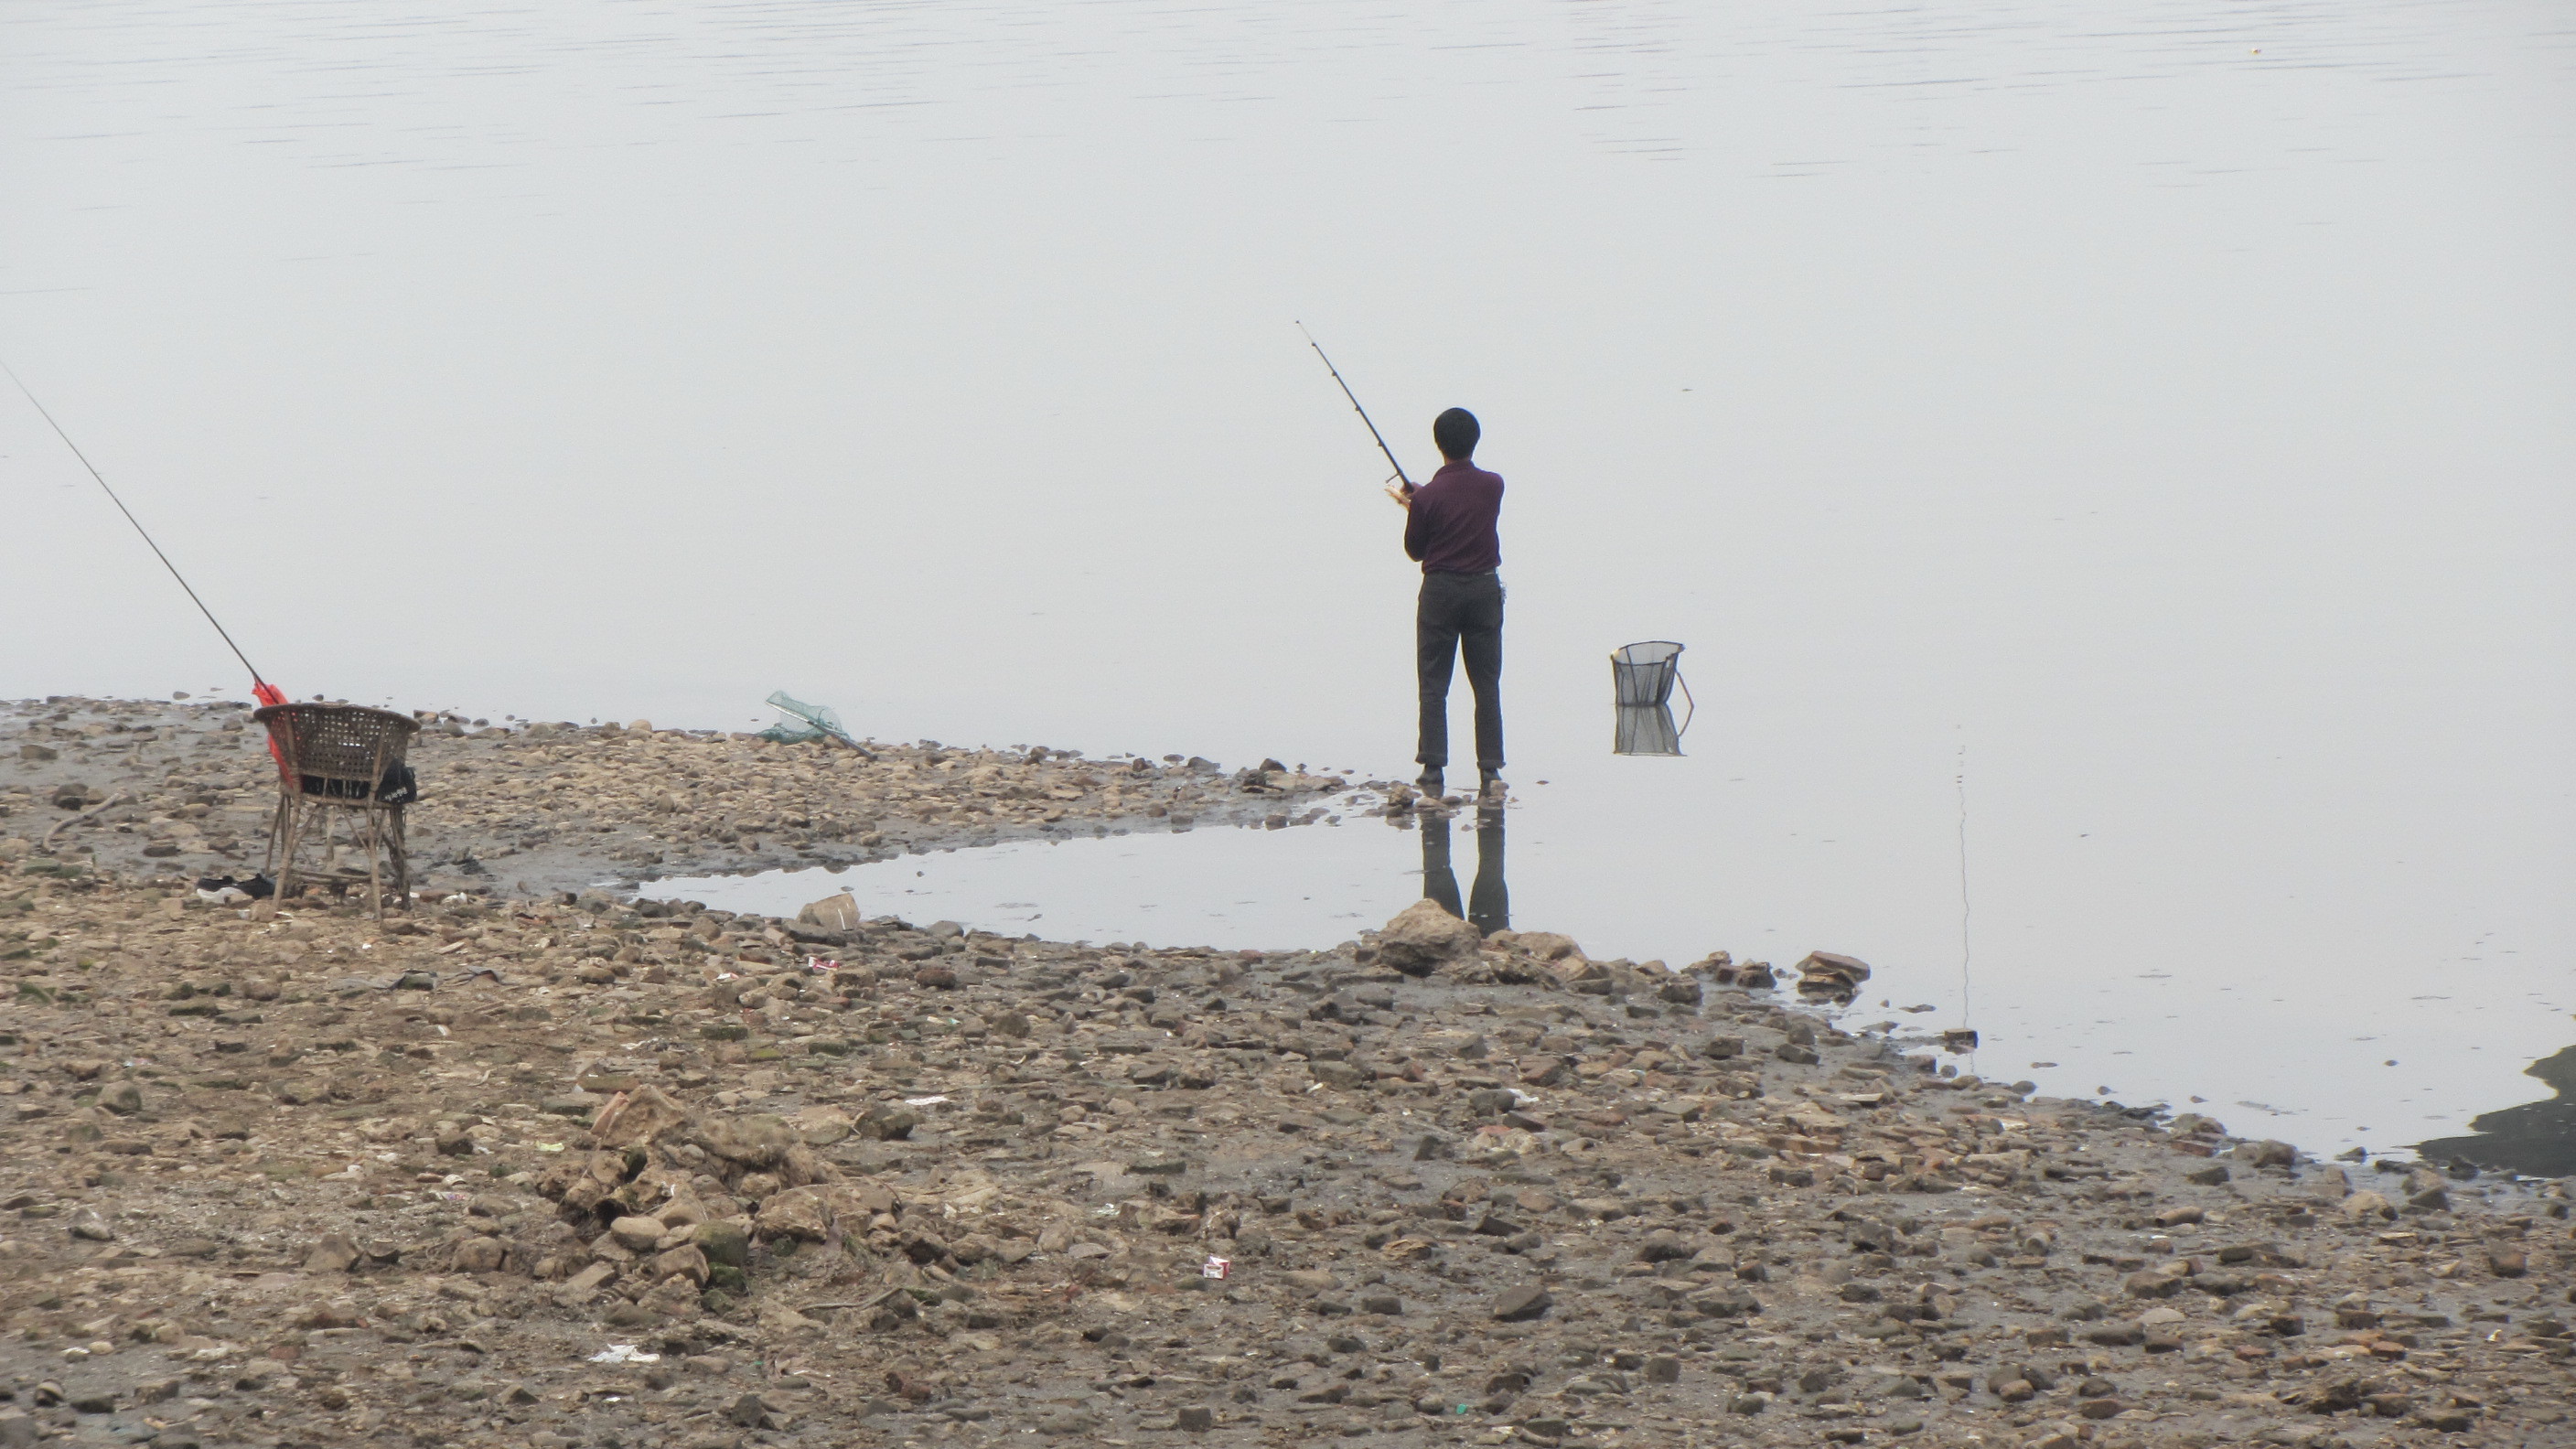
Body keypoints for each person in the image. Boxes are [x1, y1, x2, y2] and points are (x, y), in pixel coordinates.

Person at [1392, 407, 1504, 800]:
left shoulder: (1429, 499)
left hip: (1440, 592)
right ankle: (1490, 772)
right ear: (1475, 441)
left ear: (1438, 444)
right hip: (1484, 591)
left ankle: (1433, 770)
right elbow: (1463, 507)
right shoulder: (1494, 485)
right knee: (1486, 681)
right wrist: (1422, 502)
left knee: (1434, 681)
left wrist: (1414, 506)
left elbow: (1415, 550)